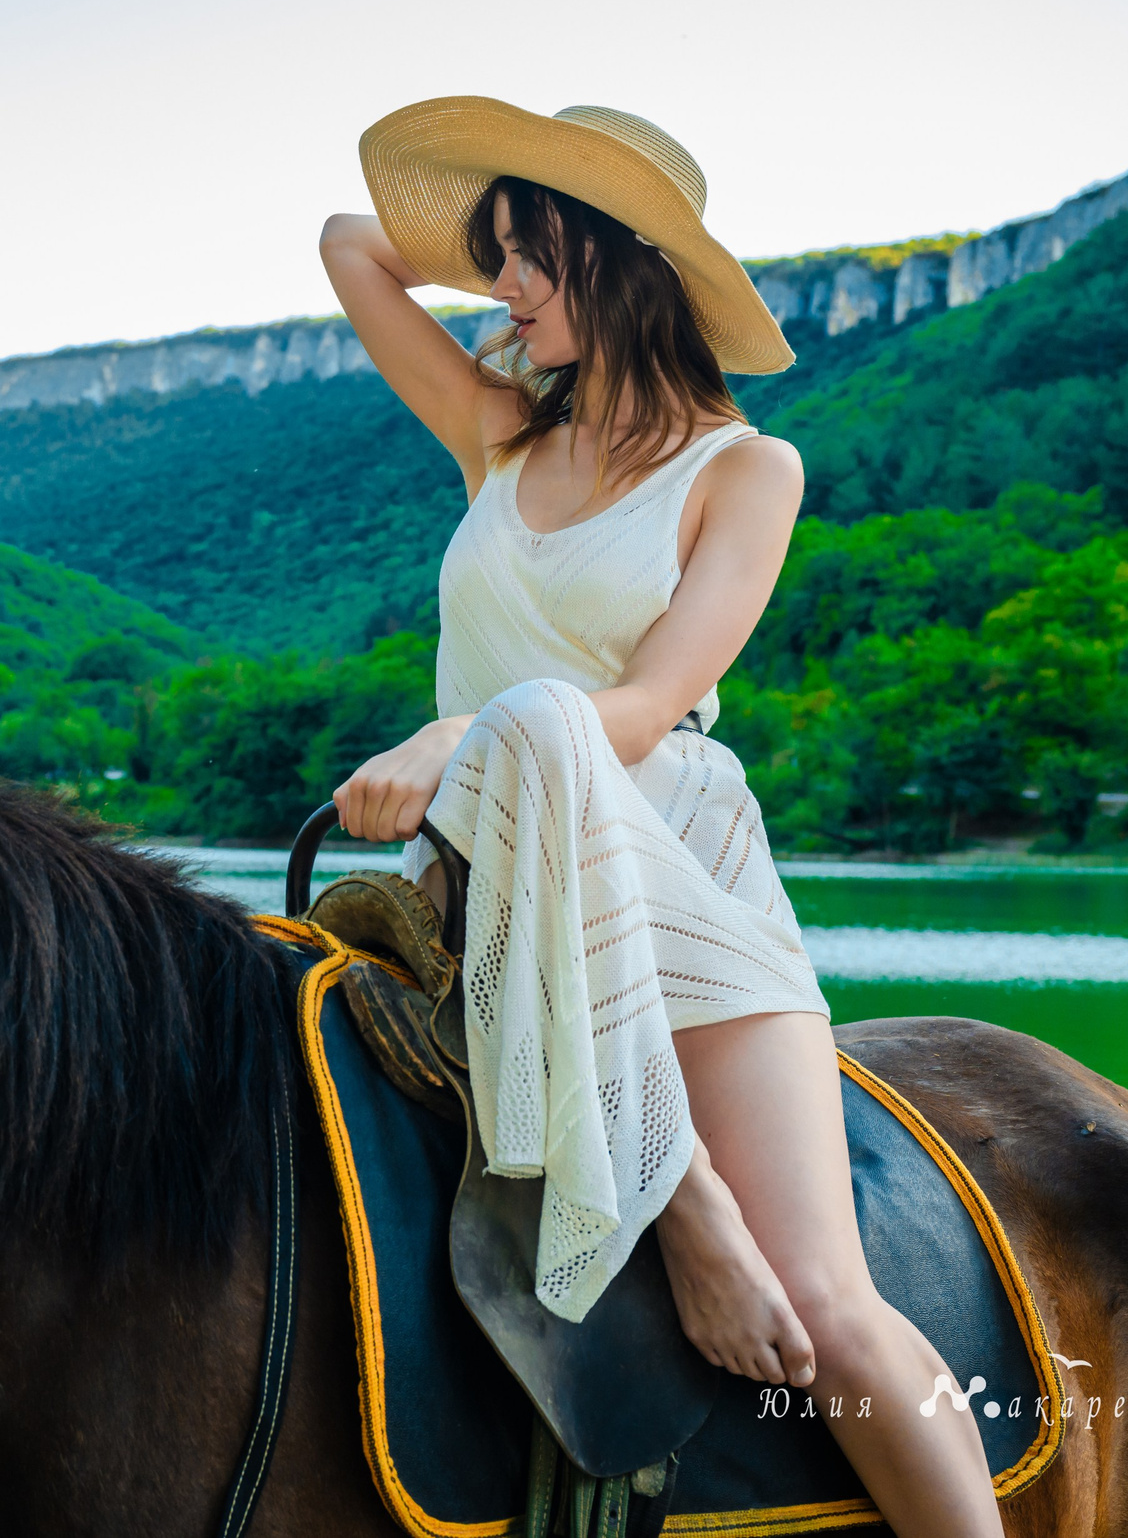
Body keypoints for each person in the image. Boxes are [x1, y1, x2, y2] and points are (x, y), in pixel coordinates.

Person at [319, 98, 1000, 1536]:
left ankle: (695, 1212)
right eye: (491, 257)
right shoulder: (499, 429)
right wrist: (503, 219)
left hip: (668, 852)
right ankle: (676, 1201)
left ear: (625, 265)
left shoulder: (746, 471)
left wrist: (465, 733)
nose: (499, 289)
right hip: (487, 865)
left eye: (527, 258)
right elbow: (349, 244)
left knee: (827, 1299)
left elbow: (645, 704)